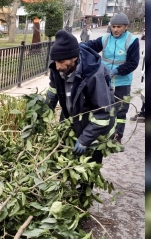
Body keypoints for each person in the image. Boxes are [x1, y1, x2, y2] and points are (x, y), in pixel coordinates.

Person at [45, 30, 116, 200]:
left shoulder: (93, 74)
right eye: (55, 61)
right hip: (72, 116)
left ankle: (82, 200)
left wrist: (85, 139)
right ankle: (64, 194)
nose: (58, 66)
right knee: (65, 159)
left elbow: (103, 113)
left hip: (96, 126)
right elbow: (53, 92)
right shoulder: (58, 68)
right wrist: (43, 112)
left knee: (89, 166)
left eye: (61, 61)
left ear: (74, 58)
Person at [81, 13, 140, 150]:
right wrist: (80, 46)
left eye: (119, 27)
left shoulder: (132, 41)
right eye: (113, 26)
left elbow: (133, 63)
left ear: (125, 27)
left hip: (122, 82)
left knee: (120, 111)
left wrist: (116, 71)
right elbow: (91, 46)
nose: (116, 29)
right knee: (103, 107)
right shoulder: (106, 39)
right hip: (104, 81)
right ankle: (103, 134)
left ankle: (117, 136)